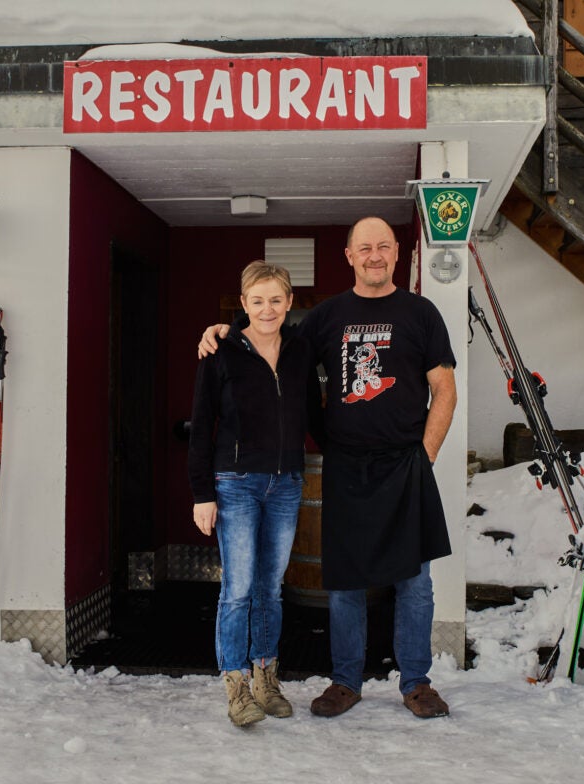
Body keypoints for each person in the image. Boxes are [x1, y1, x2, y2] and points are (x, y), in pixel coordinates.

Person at [199, 216, 457, 719]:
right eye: (365, 248)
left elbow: (443, 388)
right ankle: (345, 681)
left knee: (416, 582)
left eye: (383, 246)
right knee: (345, 582)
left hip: (407, 463)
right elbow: (270, 344)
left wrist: (424, 457)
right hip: (347, 467)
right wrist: (225, 332)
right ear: (349, 256)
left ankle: (417, 682)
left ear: (397, 253)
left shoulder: (421, 313)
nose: (375, 255)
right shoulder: (328, 316)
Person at [188, 260, 322, 727]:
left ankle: (267, 680)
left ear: (289, 302)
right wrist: (202, 492)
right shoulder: (220, 351)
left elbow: (315, 418)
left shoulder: (302, 351)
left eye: (276, 299)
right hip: (236, 484)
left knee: (271, 589)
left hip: (285, 484)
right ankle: (236, 688)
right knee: (238, 590)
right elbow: (202, 426)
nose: (268, 309)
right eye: (258, 300)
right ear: (243, 304)